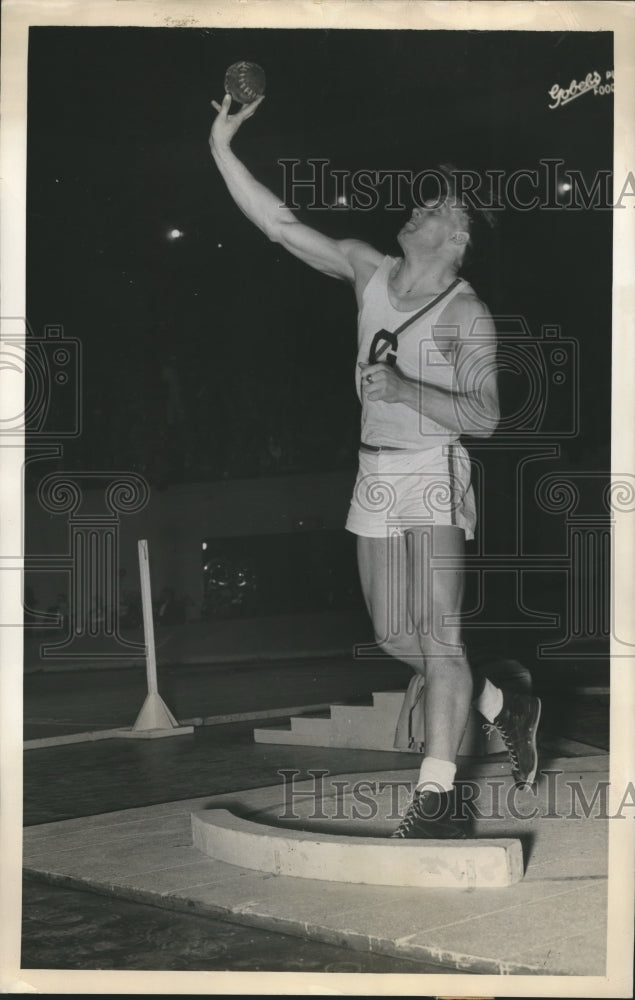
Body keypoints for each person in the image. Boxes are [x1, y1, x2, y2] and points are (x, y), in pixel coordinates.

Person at [209, 93, 541, 839]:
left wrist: (406, 388)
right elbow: (280, 225)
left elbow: (486, 418)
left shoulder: (466, 315)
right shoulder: (368, 271)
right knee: (396, 639)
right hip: (375, 473)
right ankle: (500, 704)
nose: (417, 211)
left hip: (429, 468)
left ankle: (437, 800)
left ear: (457, 237)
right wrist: (223, 146)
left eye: (432, 209)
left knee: (439, 638)